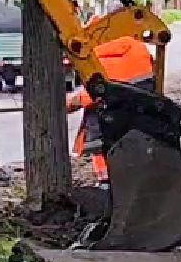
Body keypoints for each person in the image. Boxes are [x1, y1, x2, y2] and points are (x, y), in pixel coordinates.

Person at [67, 35, 157, 182]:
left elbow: (91, 94)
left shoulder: (94, 57)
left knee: (96, 129)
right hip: (139, 114)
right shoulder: (136, 47)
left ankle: (105, 180)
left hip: (107, 124)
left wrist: (67, 104)